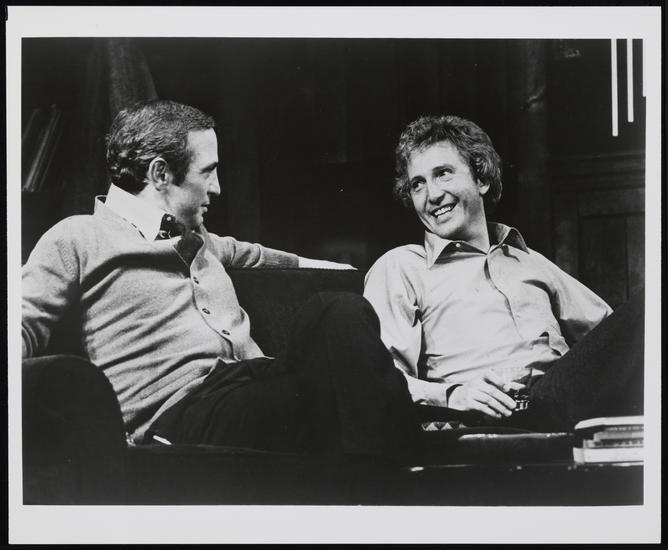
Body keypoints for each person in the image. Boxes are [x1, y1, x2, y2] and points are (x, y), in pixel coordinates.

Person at [22, 99, 420, 463]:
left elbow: (262, 257)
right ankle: (403, 473)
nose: (217, 187)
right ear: (161, 173)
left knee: (338, 308)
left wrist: (355, 273)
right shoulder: (77, 237)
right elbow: (22, 323)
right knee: (334, 402)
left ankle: (389, 470)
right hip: (181, 411)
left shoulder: (199, 238)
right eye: (208, 171)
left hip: (254, 383)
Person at [363, 115, 644, 432]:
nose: (432, 195)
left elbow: (612, 337)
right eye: (418, 184)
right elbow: (380, 379)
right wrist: (454, 395)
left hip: (563, 402)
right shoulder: (401, 267)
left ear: (481, 179)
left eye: (443, 174)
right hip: (486, 416)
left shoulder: (529, 261)